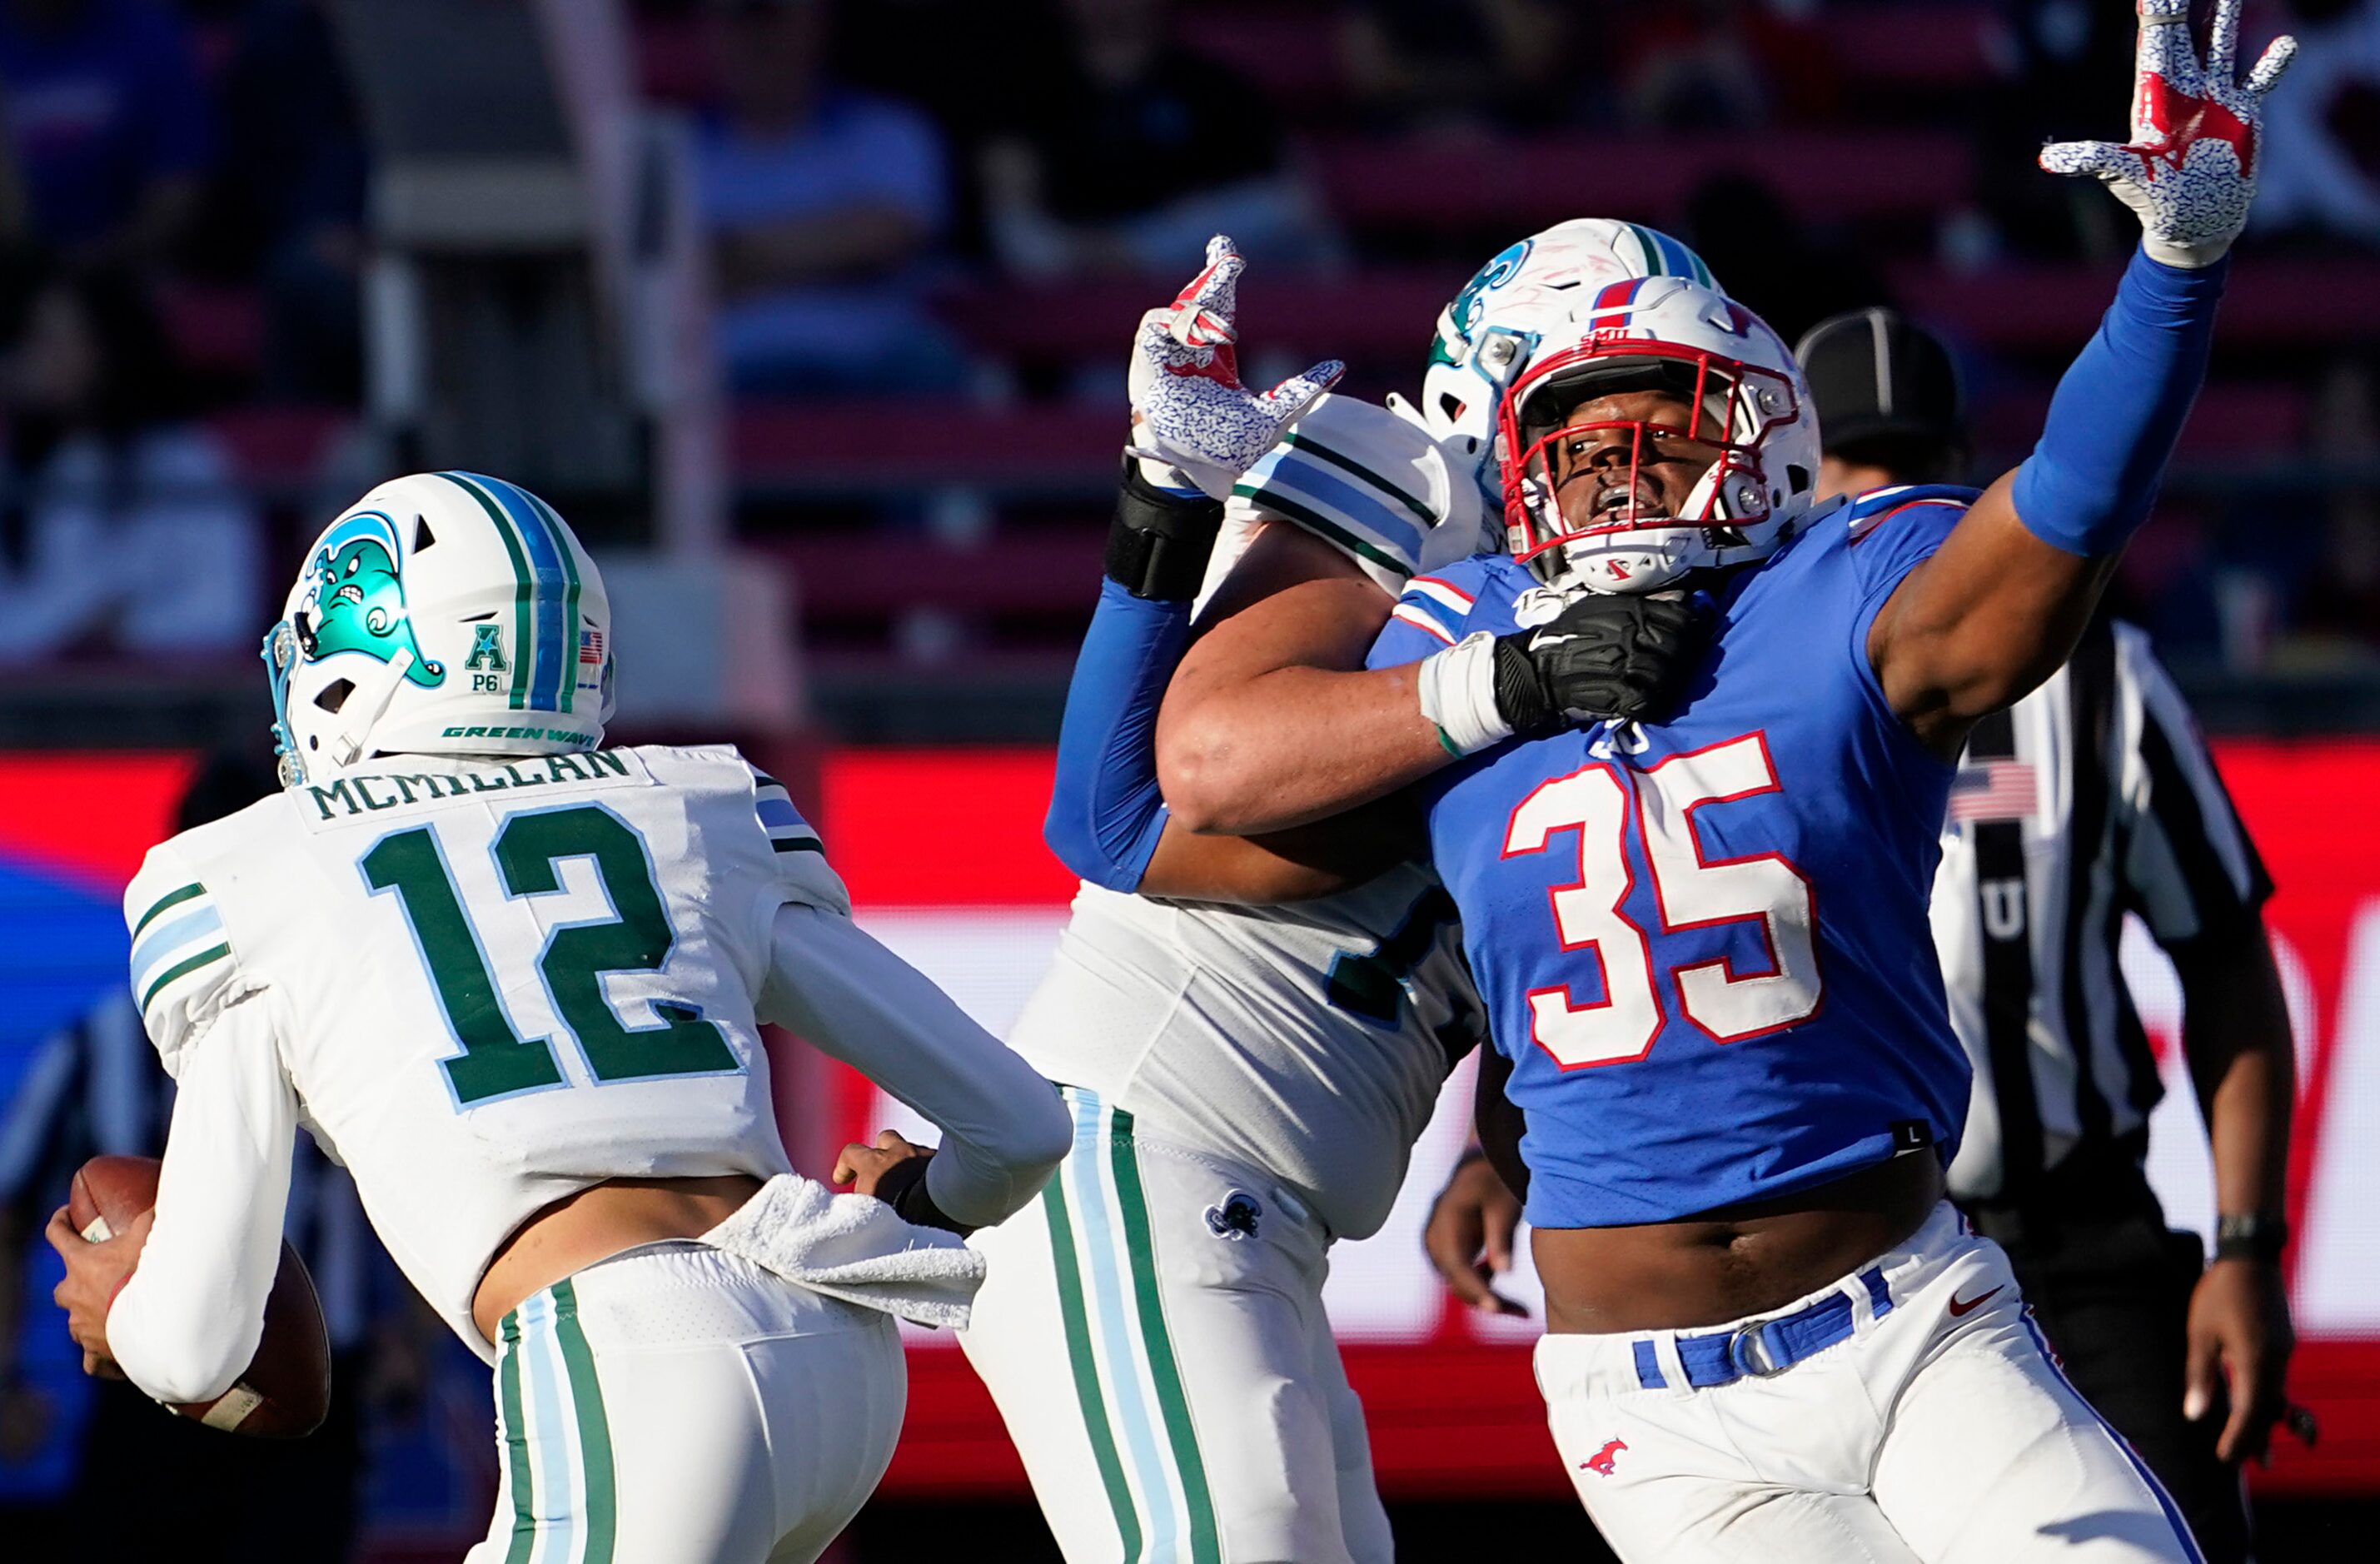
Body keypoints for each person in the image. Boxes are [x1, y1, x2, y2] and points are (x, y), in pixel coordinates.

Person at [1103, 4, 2296, 1557]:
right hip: (1648, 1399)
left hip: (1912, 1317)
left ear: (1748, 427)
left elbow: (2062, 510)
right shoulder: (1457, 640)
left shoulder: (1838, 590)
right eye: (1572, 441)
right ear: (1509, 467)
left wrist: (2170, 278)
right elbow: (1145, 801)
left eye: (1649, 426)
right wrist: (1190, 527)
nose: (1612, 466)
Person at [42, 471, 1072, 1562]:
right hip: (836, 1348)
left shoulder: (243, 875)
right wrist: (926, 1195)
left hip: (634, 1358)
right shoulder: (698, 806)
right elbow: (1022, 1125)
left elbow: (199, 1346)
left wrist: (126, 1312)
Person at [958, 221, 1716, 1564]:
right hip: (1151, 1142)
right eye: (1595, 406)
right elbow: (1117, 808)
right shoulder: (1414, 476)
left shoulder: (1673, 586)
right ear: (1500, 391)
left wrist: (1499, 1144)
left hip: (1268, 1213)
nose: (1630, 456)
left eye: (1661, 407)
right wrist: (1509, 690)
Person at [1811, 306, 2296, 1558]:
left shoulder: (2099, 682)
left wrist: (2244, 1247)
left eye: (1905, 460)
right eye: (1845, 465)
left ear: (1963, 472)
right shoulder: (1730, 694)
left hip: (2075, 1241)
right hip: (1839, 1254)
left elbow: (2225, 960)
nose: (1874, 497)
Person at [0, 752, 417, 1563]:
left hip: (312, 1387)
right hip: (144, 1387)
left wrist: (416, 1336)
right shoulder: (99, 1044)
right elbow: (8, 1212)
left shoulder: (352, 1024)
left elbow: (419, 1179)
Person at [692, 0, 968, 395]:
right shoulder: (679, 152)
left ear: (814, 25)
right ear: (713, 33)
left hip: (875, 366)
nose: (761, 41)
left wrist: (736, 255)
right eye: (742, 23)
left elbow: (885, 236)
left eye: (775, 19)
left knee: (931, 364)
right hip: (737, 375)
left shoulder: (887, 130)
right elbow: (674, 273)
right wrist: (830, 246)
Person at [0, 0, 212, 268]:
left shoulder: (147, 31)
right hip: (17, 266)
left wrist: (107, 256)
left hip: (125, 266)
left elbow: (180, 181)